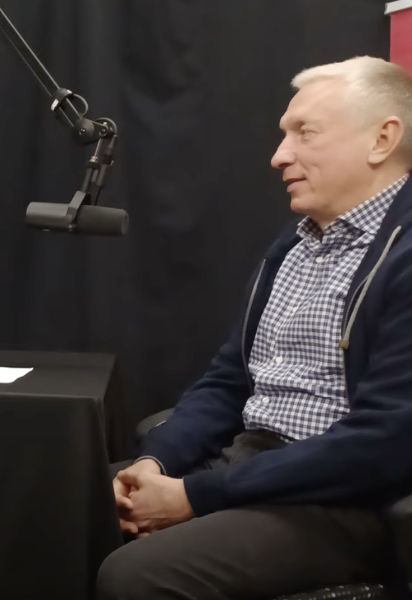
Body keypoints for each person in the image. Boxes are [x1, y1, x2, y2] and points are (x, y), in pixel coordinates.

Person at [98, 56, 412, 599]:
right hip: (247, 462)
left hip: (347, 500)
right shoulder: (291, 248)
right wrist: (157, 464)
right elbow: (229, 382)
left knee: (135, 576)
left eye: (303, 133)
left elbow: (384, 444)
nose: (278, 156)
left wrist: (193, 496)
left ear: (382, 140)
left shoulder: (403, 258)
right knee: (50, 504)